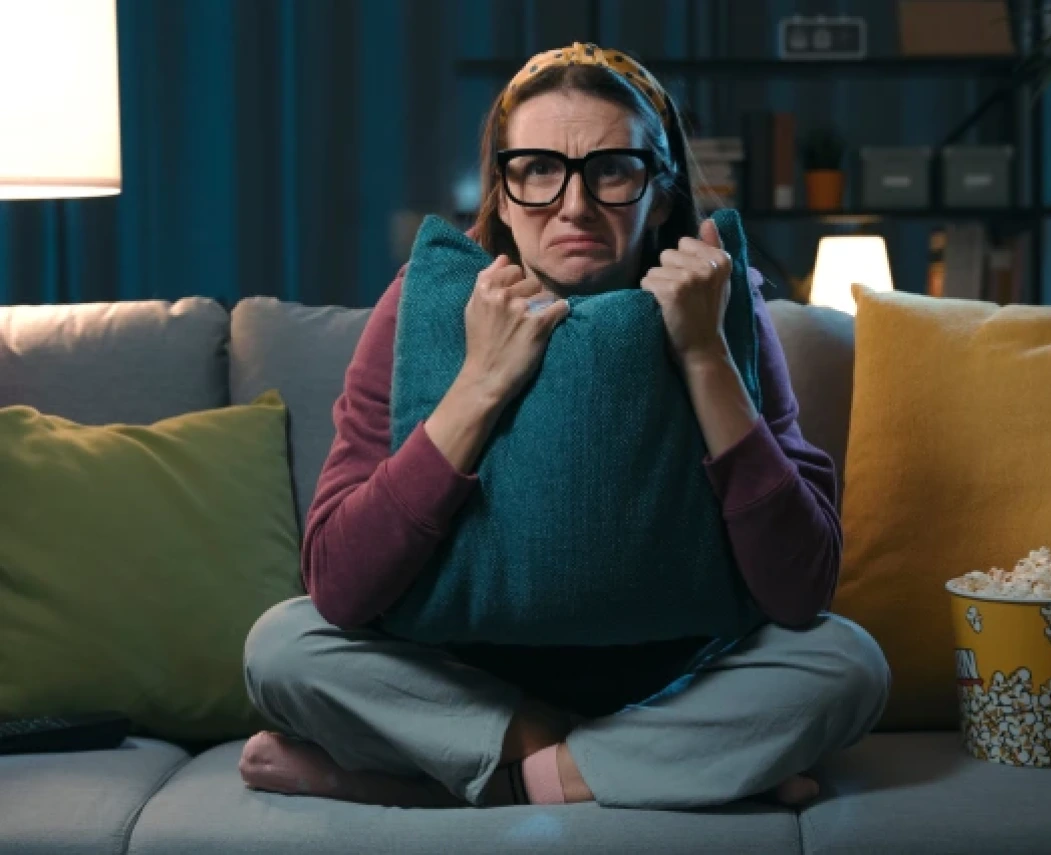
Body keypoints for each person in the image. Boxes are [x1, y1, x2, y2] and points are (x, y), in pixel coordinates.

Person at [239, 42, 891, 811]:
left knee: (847, 662)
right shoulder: (420, 303)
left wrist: (706, 354)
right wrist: (481, 380)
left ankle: (464, 780)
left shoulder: (726, 305)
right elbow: (340, 585)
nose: (573, 206)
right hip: (468, 681)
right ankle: (615, 764)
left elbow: (801, 588)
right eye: (539, 169)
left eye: (613, 168)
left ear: (660, 186)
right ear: (503, 191)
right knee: (282, 646)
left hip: (676, 680)